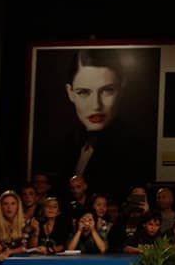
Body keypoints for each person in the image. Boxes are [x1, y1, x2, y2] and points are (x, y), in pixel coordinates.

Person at [58, 49, 148, 195]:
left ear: (122, 88)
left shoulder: (135, 149)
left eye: (107, 91)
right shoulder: (67, 143)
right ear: (70, 92)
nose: (96, 105)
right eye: (83, 92)